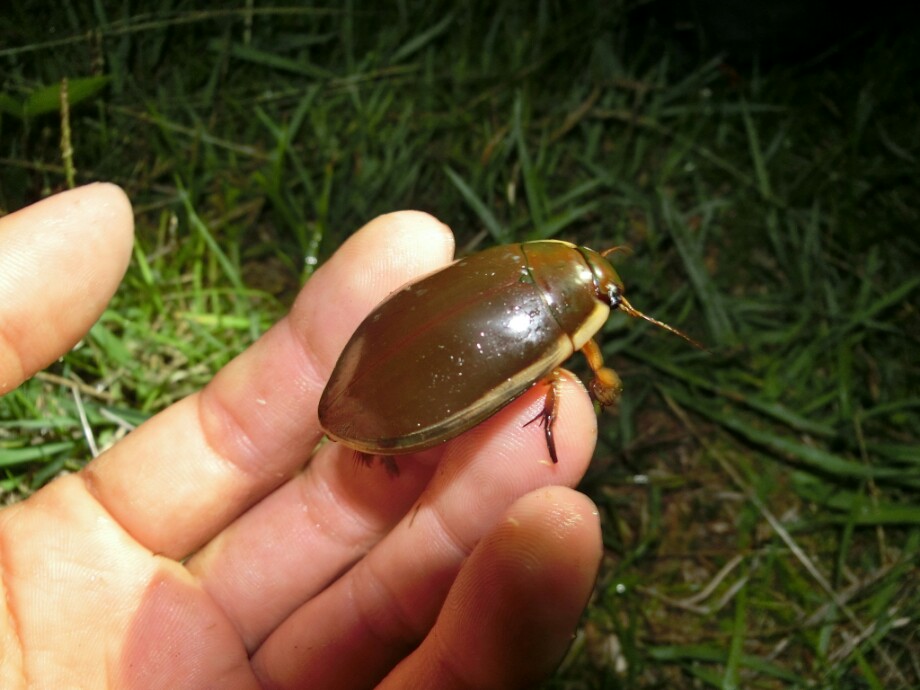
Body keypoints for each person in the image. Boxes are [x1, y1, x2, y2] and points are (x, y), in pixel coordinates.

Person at [0, 184, 602, 689]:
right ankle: (378, 438)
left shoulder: (525, 282)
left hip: (403, 382)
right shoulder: (551, 327)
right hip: (396, 384)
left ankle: (378, 439)